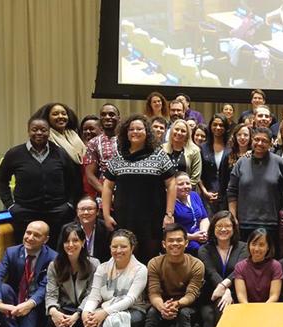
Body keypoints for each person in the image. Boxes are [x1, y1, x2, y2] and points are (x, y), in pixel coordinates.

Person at [102, 114, 177, 263]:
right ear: (126, 133)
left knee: (150, 257)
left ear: (147, 132)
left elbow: (171, 184)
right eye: (131, 129)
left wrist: (169, 214)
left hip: (152, 219)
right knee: (125, 256)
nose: (135, 132)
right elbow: (107, 186)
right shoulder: (118, 157)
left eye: (139, 129)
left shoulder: (159, 155)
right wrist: (106, 214)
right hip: (125, 217)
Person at [81, 229, 148, 327]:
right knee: (92, 320)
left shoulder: (140, 269)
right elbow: (94, 296)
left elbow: (130, 299)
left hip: (134, 311)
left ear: (132, 247)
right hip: (107, 308)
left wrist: (103, 313)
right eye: (114, 246)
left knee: (113, 320)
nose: (118, 250)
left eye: (123, 246)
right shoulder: (102, 268)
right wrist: (86, 312)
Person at [140, 224, 204, 327]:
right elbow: (153, 293)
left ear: (186, 243)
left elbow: (192, 294)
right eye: (171, 241)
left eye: (179, 240)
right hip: (162, 303)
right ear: (164, 244)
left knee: (184, 314)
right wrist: (163, 307)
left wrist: (177, 304)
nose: (175, 244)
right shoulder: (154, 263)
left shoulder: (196, 264)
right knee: (152, 313)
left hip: (186, 305)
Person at [0, 117, 79, 245]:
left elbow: (73, 181)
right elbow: (1, 181)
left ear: (49, 132)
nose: (39, 133)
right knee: (27, 250)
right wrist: (11, 205)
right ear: (28, 131)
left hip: (57, 213)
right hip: (24, 213)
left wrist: (69, 204)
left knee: (55, 252)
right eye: (34, 130)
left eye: (43, 130)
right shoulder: (14, 154)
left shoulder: (60, 153)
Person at [42, 223, 99, 327]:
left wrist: (77, 314)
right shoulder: (55, 265)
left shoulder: (94, 264)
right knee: (53, 323)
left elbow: (92, 294)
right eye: (67, 241)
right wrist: (53, 311)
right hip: (63, 310)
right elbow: (51, 294)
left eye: (75, 240)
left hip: (83, 313)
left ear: (83, 242)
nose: (71, 244)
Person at [197, 211, 249, 327]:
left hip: (236, 293)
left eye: (227, 226)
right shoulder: (204, 250)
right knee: (209, 316)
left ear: (234, 228)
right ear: (213, 228)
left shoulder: (243, 247)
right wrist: (224, 291)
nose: (223, 229)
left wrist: (226, 288)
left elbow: (238, 270)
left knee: (223, 310)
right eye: (219, 226)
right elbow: (211, 272)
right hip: (210, 295)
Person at [228, 127, 283, 250]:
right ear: (252, 141)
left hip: (271, 223)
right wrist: (233, 218)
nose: (260, 143)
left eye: (264, 141)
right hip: (245, 223)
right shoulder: (242, 162)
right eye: (257, 139)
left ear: (270, 143)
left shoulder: (279, 162)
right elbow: (232, 191)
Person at [233, 228, 283, 303]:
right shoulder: (240, 267)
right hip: (247, 309)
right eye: (254, 244)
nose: (256, 249)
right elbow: (241, 296)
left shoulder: (275, 266)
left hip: (268, 309)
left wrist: (262, 311)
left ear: (268, 247)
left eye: (261, 245)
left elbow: (274, 296)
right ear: (249, 245)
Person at [32, 103, 86, 169]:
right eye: (55, 114)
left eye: (64, 114)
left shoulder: (73, 134)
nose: (60, 116)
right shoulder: (44, 139)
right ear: (47, 118)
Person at [83, 104, 120, 196]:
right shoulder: (93, 142)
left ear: (119, 118)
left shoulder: (128, 139)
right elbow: (90, 176)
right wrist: (107, 194)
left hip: (128, 192)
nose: (107, 117)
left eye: (111, 114)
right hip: (104, 192)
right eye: (103, 115)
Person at [199, 114, 231, 213]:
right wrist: (204, 191)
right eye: (215, 124)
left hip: (226, 196)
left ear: (225, 128)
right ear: (210, 126)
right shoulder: (202, 148)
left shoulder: (231, 148)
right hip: (207, 194)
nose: (218, 127)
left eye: (221, 125)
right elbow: (198, 173)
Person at [173, 172, 210, 255]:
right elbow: (170, 230)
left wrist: (203, 232)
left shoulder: (194, 195)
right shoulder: (170, 202)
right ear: (173, 186)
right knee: (200, 250)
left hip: (199, 235)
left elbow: (204, 218)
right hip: (182, 239)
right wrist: (193, 237)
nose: (185, 186)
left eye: (188, 183)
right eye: (181, 184)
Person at [163, 119, 202, 187]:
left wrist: (183, 190)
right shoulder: (162, 149)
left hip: (186, 192)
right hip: (164, 192)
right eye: (176, 129)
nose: (179, 133)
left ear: (187, 134)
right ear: (171, 131)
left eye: (183, 131)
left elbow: (195, 178)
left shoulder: (194, 151)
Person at [74, 196, 110, 261]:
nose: (86, 212)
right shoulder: (69, 229)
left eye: (90, 209)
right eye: (82, 209)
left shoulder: (106, 229)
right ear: (77, 212)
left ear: (97, 211)